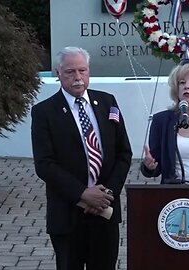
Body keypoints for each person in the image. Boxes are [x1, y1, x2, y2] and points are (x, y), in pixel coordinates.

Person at [31, 46, 132, 270]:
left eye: (83, 70)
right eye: (70, 72)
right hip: (68, 214)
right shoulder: (44, 112)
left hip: (104, 212)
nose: (78, 78)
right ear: (57, 73)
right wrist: (84, 194)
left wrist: (107, 194)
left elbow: (124, 153)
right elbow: (45, 164)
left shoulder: (108, 102)